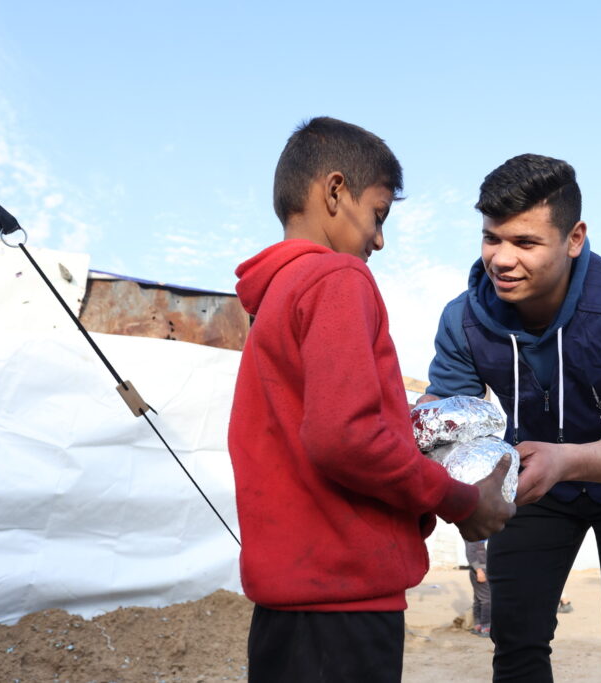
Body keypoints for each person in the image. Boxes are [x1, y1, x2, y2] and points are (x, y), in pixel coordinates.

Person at [227, 117, 515, 683]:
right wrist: (460, 500)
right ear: (335, 191)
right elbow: (346, 437)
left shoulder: (275, 296)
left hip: (290, 604)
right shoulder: (338, 279)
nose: (379, 240)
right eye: (378, 216)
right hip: (344, 610)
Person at [421, 153, 601, 681]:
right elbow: (447, 418)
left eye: (525, 242)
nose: (501, 259)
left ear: (574, 238)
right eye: (491, 237)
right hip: (534, 486)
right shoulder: (463, 320)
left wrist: (570, 460)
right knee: (515, 645)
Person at [465, 540, 491, 637]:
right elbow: (470, 552)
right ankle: (486, 627)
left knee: (479, 598)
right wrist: (479, 570)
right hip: (480, 570)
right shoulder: (474, 533)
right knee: (486, 599)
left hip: (481, 569)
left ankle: (478, 626)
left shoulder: (477, 532)